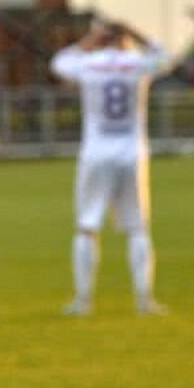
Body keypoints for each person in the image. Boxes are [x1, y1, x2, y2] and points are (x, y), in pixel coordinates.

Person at [51, 20, 169, 316]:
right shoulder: (137, 63)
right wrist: (137, 31)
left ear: (103, 39)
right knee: (138, 228)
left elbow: (59, 63)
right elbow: (164, 56)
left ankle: (83, 300)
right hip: (131, 153)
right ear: (126, 38)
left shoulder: (89, 63)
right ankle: (144, 300)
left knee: (87, 226)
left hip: (95, 152)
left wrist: (89, 39)